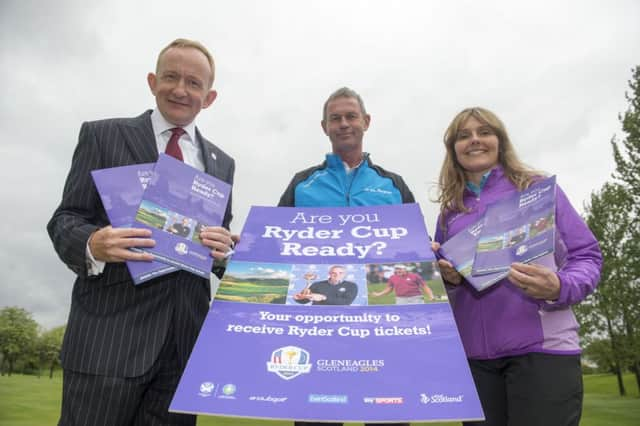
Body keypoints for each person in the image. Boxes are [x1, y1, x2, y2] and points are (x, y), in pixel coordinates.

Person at [47, 38, 237, 426]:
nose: (181, 89)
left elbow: (219, 242)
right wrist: (92, 243)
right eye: (171, 77)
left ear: (210, 96)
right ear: (152, 81)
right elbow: (66, 217)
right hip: (108, 341)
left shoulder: (223, 164)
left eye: (193, 82)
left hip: (182, 350)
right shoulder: (103, 136)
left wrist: (224, 252)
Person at [432, 107, 602, 426]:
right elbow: (441, 287)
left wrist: (560, 286)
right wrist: (448, 280)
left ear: (500, 140)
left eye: (484, 132)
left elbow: (587, 255)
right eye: (463, 135)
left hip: (543, 353)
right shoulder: (448, 213)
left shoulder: (536, 189)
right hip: (476, 364)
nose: (475, 140)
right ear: (453, 148)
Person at [279, 86, 412, 426]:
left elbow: (416, 249)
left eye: (351, 116)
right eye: (334, 118)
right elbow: (276, 246)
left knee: (389, 420)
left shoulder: (393, 184)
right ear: (324, 127)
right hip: (317, 333)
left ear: (366, 122)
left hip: (383, 333)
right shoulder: (302, 183)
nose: (343, 124)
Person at [294, 265, 358, 305]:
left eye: (340, 273)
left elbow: (346, 302)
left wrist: (323, 297)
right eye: (333, 273)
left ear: (344, 274)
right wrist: (299, 298)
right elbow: (305, 300)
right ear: (329, 274)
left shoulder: (351, 286)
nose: (337, 275)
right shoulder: (317, 284)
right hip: (317, 315)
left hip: (340, 315)